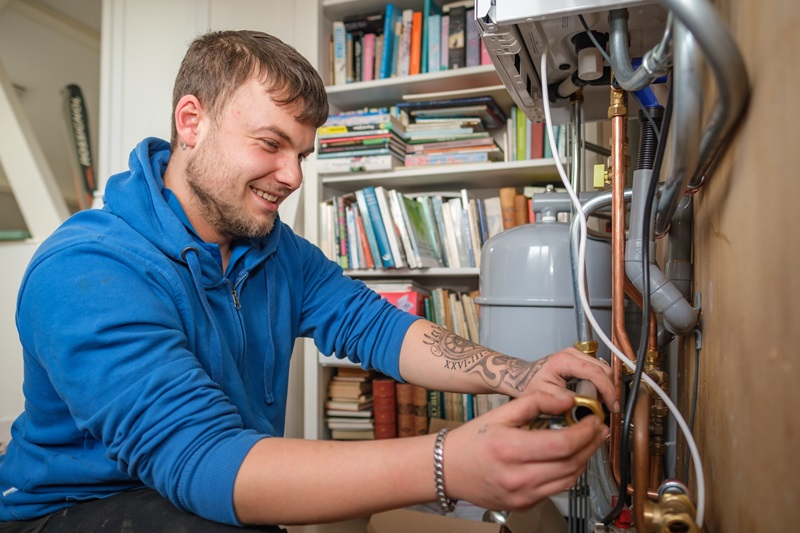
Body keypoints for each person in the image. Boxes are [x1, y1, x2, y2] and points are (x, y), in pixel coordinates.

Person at [0, 30, 617, 532]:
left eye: (302, 153)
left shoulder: (274, 250)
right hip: (66, 512)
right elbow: (201, 459)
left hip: (201, 496)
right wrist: (445, 464)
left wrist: (520, 373)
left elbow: (376, 327)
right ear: (192, 122)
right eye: (271, 144)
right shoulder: (87, 268)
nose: (292, 176)